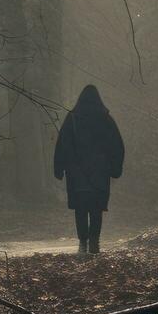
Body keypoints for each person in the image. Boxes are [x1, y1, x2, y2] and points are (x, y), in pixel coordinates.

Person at [52, 84, 125, 254]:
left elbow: (63, 144)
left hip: (77, 173)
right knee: (96, 209)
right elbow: (117, 146)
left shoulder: (72, 119)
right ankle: (94, 242)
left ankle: (83, 242)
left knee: (80, 208)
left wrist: (59, 168)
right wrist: (115, 168)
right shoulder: (106, 120)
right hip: (99, 173)